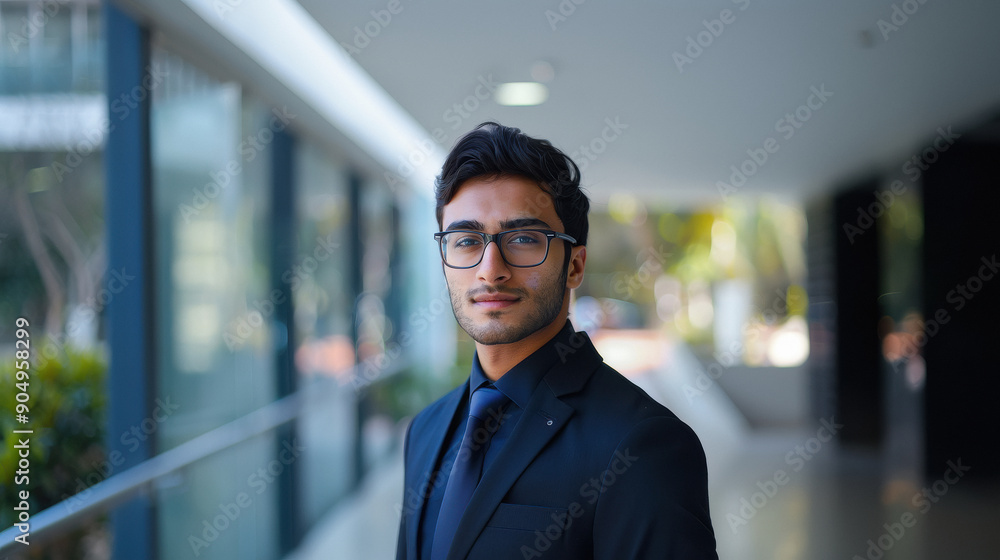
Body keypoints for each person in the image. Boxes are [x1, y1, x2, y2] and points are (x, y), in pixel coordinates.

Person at [396, 122, 717, 560]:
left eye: (524, 239)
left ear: (574, 266)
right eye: (467, 240)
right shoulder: (426, 431)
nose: (490, 269)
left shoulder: (641, 444)